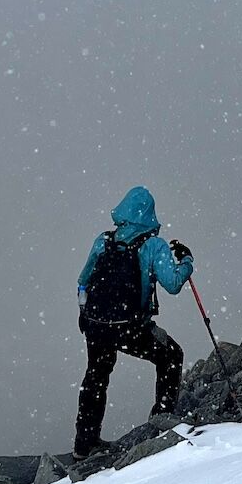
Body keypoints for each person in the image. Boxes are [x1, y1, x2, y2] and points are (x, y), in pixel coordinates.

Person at [74, 186, 194, 458]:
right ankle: (162, 422)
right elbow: (173, 283)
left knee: (96, 376)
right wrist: (187, 261)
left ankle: (84, 443)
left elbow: (83, 282)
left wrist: (86, 314)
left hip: (96, 323)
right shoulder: (153, 245)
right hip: (129, 325)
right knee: (171, 356)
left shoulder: (104, 240)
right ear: (150, 214)